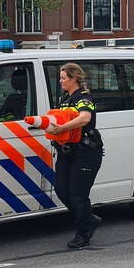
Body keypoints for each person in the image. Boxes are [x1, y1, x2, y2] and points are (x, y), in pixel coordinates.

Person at [46, 62, 103, 249]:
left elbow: (85, 118)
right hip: (67, 152)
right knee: (62, 190)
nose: (61, 81)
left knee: (78, 194)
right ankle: (88, 218)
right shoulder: (65, 99)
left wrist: (61, 128)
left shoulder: (83, 97)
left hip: (85, 153)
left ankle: (84, 233)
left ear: (74, 79)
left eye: (63, 78)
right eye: (60, 78)